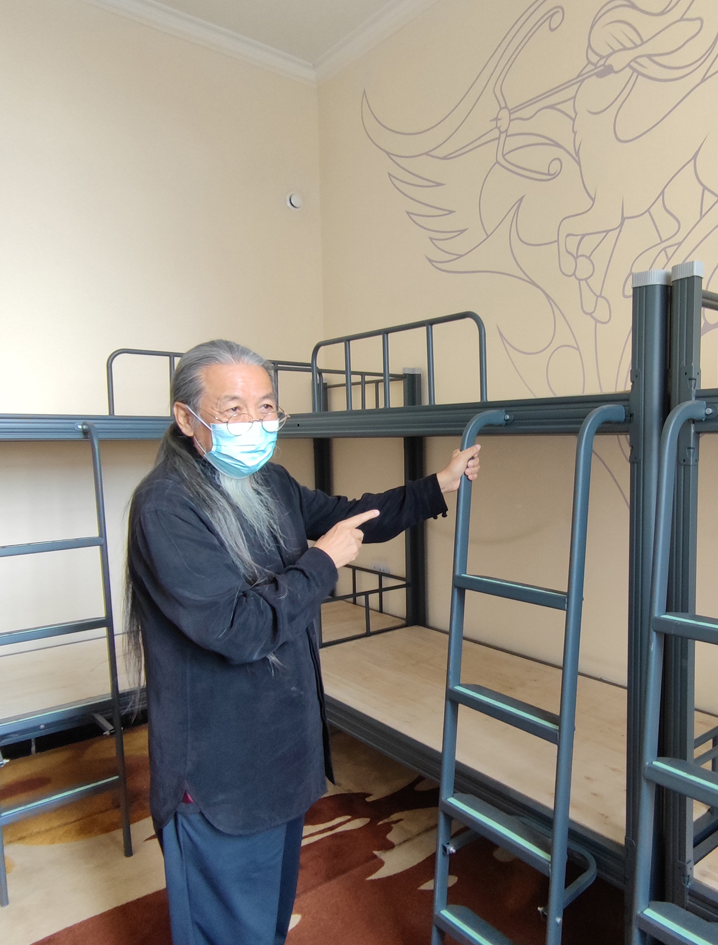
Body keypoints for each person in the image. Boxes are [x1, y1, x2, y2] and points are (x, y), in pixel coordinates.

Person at [124, 339, 480, 945]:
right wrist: (322, 562)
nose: (256, 423)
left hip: (279, 750)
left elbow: (351, 515)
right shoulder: (166, 506)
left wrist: (437, 486)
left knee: (268, 918)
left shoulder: (269, 482)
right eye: (234, 409)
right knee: (228, 926)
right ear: (186, 418)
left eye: (267, 407)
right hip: (218, 769)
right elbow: (237, 628)